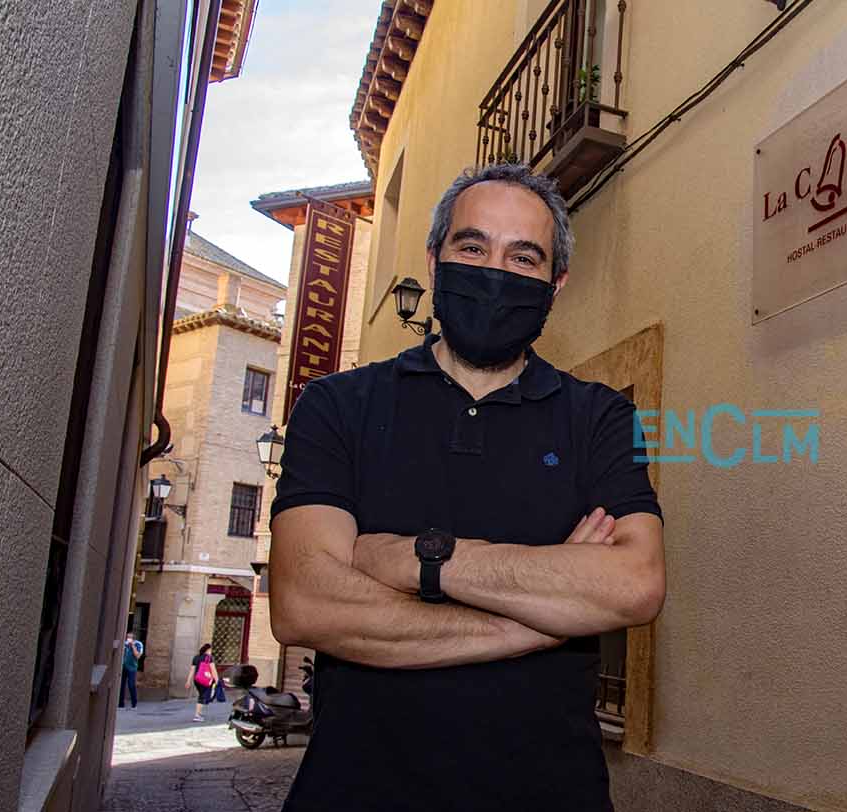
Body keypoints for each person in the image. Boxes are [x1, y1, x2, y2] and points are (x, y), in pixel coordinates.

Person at [269, 163, 666, 811]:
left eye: (524, 256)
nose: (494, 273)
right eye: (473, 247)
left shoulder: (599, 419)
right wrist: (534, 624)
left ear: (556, 282)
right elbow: (305, 605)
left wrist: (411, 558)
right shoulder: (338, 406)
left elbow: (634, 585)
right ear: (435, 259)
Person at [184, 644, 218, 722]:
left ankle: (199, 711)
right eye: (210, 650)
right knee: (203, 696)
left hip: (197, 679)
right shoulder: (209, 658)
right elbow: (213, 670)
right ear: (208, 650)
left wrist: (188, 681)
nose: (211, 652)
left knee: (202, 695)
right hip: (205, 679)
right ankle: (197, 715)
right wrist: (217, 680)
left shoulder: (196, 657)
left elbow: (192, 670)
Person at [118, 632, 143, 709]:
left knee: (131, 685)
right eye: (127, 637)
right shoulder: (124, 644)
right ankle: (120, 704)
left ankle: (134, 704)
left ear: (133, 638)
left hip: (132, 668)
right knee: (121, 685)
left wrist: (132, 645)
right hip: (123, 667)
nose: (128, 639)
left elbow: (138, 656)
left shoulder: (138, 644)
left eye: (130, 637)